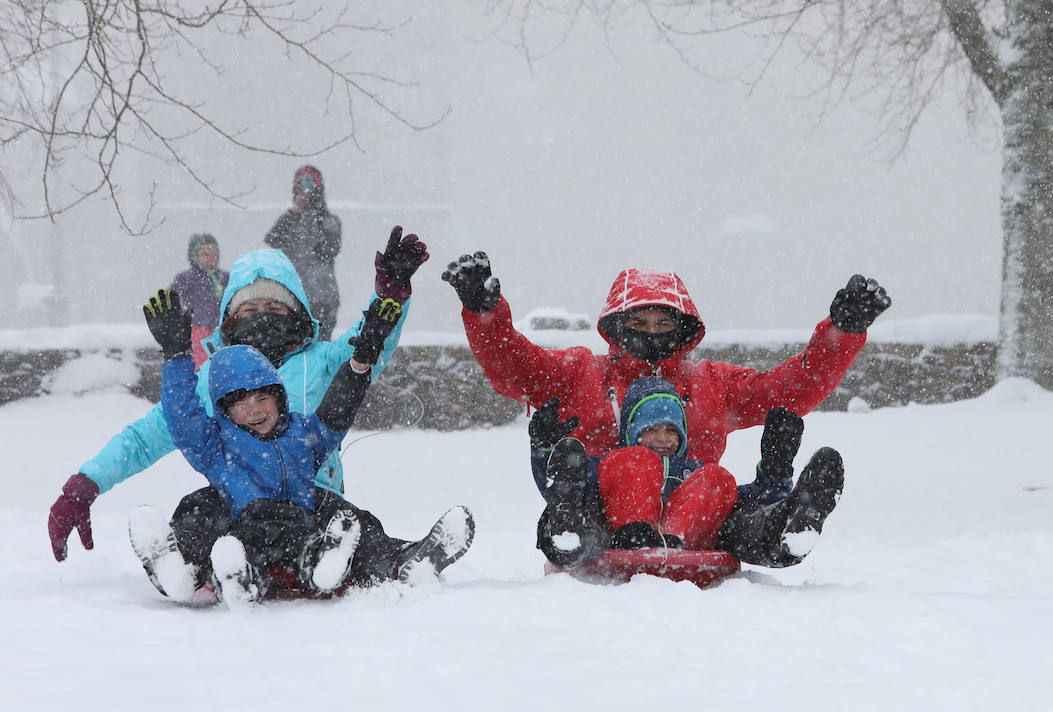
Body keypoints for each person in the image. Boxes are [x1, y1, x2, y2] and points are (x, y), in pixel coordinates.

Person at [445, 252, 885, 566]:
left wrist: (842, 333)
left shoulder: (712, 383)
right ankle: (570, 534)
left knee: (731, 504)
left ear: (683, 331)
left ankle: (786, 529)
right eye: (637, 323)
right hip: (599, 511)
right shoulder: (579, 372)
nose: (651, 333)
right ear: (616, 327)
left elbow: (790, 390)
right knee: (585, 504)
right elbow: (515, 369)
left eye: (664, 323)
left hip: (698, 518)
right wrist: (485, 315)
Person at [47, 226, 424, 565]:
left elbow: (368, 346)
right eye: (250, 308)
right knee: (198, 514)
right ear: (231, 319)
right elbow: (146, 437)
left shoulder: (321, 361)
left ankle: (386, 562)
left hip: (312, 496)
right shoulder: (213, 377)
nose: (263, 315)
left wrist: (390, 296)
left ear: (296, 312)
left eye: (275, 307)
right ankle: (199, 569)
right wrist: (85, 485)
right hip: (240, 504)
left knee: (352, 525)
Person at [132, 289, 471, 603]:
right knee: (198, 509)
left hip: (300, 529)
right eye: (241, 404)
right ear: (225, 411)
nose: (254, 409)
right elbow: (181, 416)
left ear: (279, 398)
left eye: (263, 397)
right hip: (241, 534)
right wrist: (176, 355)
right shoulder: (215, 443)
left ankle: (400, 560)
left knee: (349, 516)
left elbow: (337, 412)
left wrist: (359, 363)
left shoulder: (302, 433)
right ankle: (184, 571)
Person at [530, 389, 839, 568]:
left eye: (670, 431)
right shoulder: (615, 463)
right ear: (631, 431)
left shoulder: (692, 472)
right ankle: (567, 533)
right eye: (651, 429)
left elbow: (757, 497)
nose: (662, 439)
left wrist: (776, 465)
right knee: (595, 486)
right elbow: (557, 482)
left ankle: (789, 529)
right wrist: (546, 448)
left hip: (690, 542)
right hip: (614, 535)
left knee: (718, 478)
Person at [265, 165, 343, 339]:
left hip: (323, 296)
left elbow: (329, 250)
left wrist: (315, 223)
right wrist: (293, 214)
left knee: (320, 344)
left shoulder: (330, 221)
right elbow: (272, 240)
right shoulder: (290, 219)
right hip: (293, 295)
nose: (305, 196)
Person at [170, 232, 229, 367]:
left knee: (223, 363)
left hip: (222, 330)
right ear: (195, 256)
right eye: (205, 255)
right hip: (198, 329)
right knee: (202, 364)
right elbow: (171, 300)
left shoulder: (225, 278)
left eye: (214, 254)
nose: (211, 259)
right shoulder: (187, 278)